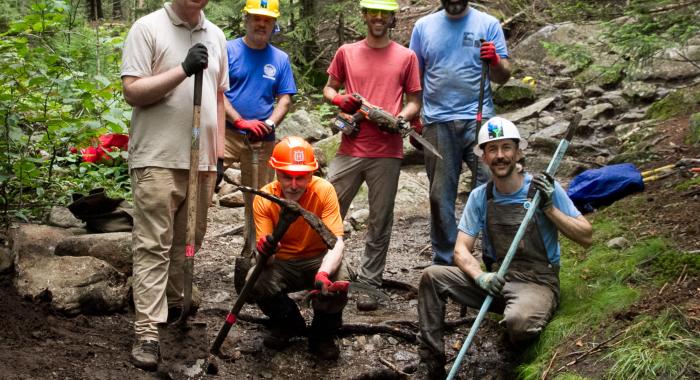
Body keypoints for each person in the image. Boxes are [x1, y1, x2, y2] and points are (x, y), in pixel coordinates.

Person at [415, 117, 593, 378]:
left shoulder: (543, 188)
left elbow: (586, 236)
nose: (500, 155)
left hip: (537, 283)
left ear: (518, 152)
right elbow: (461, 250)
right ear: (483, 157)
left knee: (518, 323)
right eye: (492, 149)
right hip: (496, 281)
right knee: (432, 276)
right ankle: (430, 362)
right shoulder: (480, 196)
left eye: (506, 147)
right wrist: (481, 276)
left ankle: (514, 350)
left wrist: (548, 208)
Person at [120, 0, 229, 371]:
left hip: (202, 162)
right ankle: (148, 331)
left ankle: (174, 307)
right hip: (158, 157)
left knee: (189, 242)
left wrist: (219, 152)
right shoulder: (147, 28)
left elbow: (217, 95)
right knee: (154, 245)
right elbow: (133, 92)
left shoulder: (215, 35)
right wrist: (183, 70)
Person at [323, 0, 422, 311]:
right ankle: (323, 271)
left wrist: (399, 118)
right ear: (364, 15)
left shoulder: (406, 56)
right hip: (350, 146)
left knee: (380, 219)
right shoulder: (346, 52)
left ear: (391, 17)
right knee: (327, 210)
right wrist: (342, 101)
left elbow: (414, 100)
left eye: (384, 13)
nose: (378, 18)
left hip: (387, 150)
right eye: (373, 12)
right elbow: (329, 89)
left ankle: (368, 282)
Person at [409, 0, 511, 265]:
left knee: (491, 186)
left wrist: (495, 61)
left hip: (479, 118)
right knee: (440, 194)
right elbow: (414, 77)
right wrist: (413, 118)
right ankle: (447, 261)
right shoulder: (423, 27)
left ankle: (493, 257)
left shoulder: (487, 25)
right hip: (437, 121)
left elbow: (503, 76)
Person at [249, 136, 348, 361]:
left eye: (301, 177)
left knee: (339, 277)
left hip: (317, 258)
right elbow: (268, 260)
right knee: (254, 279)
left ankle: (322, 334)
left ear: (311, 174)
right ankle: (289, 323)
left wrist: (324, 273)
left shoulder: (324, 191)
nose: (293, 185)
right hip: (282, 262)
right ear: (276, 172)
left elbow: (336, 242)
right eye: (287, 177)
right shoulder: (265, 198)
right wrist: (267, 250)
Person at [223, 0, 296, 189]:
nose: (262, 24)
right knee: (205, 182)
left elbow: (285, 100)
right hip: (225, 133)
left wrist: (268, 125)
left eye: (268, 20)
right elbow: (216, 91)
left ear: (274, 25)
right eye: (257, 18)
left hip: (262, 139)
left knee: (260, 194)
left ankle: (253, 221)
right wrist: (238, 120)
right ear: (246, 19)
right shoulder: (227, 50)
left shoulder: (280, 59)